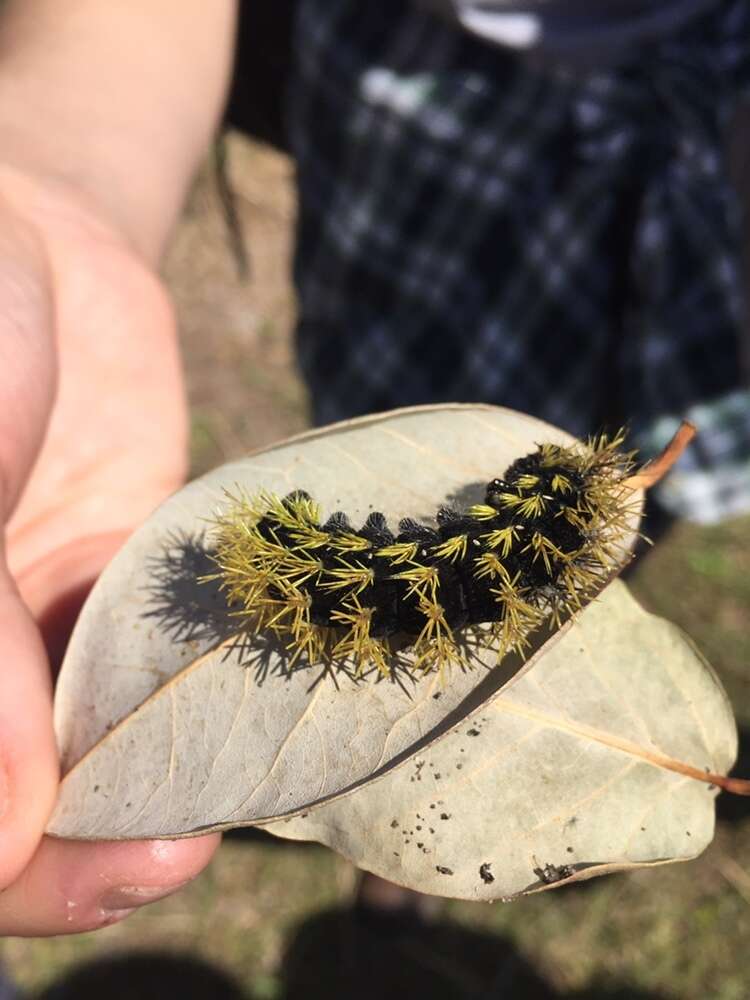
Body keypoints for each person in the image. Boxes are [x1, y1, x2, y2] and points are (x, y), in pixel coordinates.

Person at [0, 0, 748, 939]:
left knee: (578, 541)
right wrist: (46, 193)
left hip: (707, 200)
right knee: (430, 455)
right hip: (425, 150)